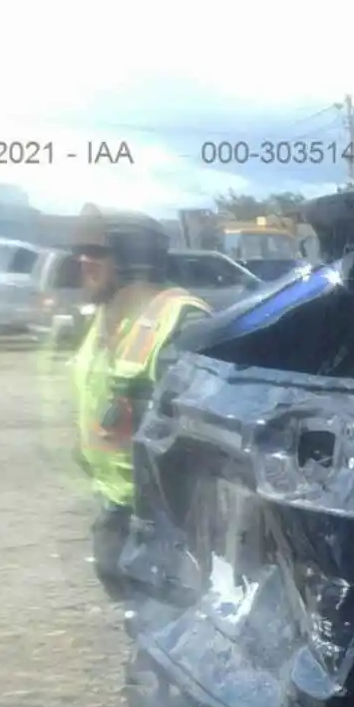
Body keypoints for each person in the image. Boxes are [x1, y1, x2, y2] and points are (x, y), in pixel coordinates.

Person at [70, 206, 211, 595]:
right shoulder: (102, 317)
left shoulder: (180, 323)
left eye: (95, 251)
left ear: (132, 257)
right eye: (79, 250)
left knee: (171, 626)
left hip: (169, 524)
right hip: (116, 506)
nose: (82, 260)